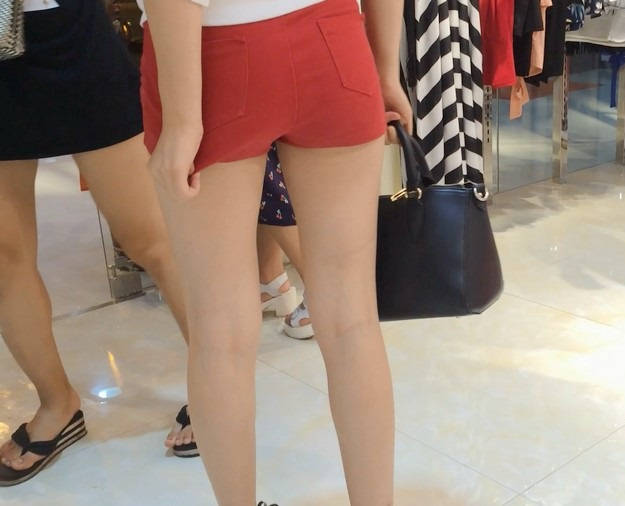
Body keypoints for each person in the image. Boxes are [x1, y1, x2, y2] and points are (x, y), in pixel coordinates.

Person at [139, 0, 412, 505]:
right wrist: (384, 70)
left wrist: (181, 120)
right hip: (334, 39)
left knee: (220, 330)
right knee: (352, 318)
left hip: (211, 54)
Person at [0, 0, 190, 485]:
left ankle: (219, 381)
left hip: (68, 36)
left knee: (150, 237)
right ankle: (57, 403)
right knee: (4, 255)